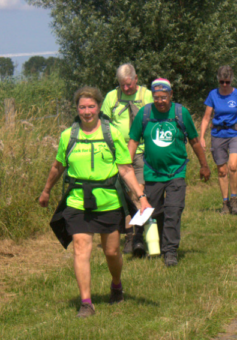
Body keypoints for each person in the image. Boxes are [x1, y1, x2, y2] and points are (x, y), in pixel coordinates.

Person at [39, 86, 152, 318]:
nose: (87, 111)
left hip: (108, 201)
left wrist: (141, 197)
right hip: (78, 200)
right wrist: (46, 190)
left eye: (91, 106)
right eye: (82, 107)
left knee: (111, 252)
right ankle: (86, 303)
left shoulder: (112, 134)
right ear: (77, 109)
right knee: (81, 248)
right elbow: (58, 166)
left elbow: (125, 169)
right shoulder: (68, 136)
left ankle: (116, 285)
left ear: (99, 107)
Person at [128, 78, 211, 267]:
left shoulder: (181, 113)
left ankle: (170, 251)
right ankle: (140, 238)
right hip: (152, 172)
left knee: (174, 210)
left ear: (171, 95)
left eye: (164, 97)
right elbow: (133, 140)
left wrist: (204, 165)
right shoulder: (145, 113)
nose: (160, 101)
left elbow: (195, 141)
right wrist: (127, 165)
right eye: (156, 97)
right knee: (152, 212)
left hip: (176, 172)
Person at [101, 63, 154, 256]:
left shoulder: (146, 95)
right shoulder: (111, 97)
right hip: (118, 154)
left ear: (136, 79)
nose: (125, 89)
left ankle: (137, 236)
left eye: (128, 84)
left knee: (137, 192)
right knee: (122, 197)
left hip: (141, 151)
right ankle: (131, 236)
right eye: (122, 85)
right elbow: (104, 124)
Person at [200, 66, 237, 215]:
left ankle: (234, 199)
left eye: (227, 82)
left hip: (235, 133)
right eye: (221, 82)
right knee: (222, 170)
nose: (224, 85)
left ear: (231, 80)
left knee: (233, 166)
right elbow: (206, 118)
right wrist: (202, 137)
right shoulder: (213, 95)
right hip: (218, 134)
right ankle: (225, 202)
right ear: (218, 80)